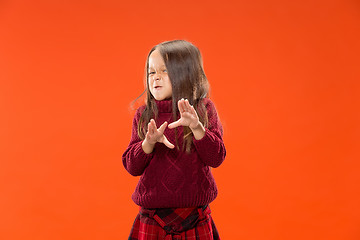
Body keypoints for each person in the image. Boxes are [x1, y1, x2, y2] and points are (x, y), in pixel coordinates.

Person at [122, 39, 226, 239]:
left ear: (185, 74)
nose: (156, 78)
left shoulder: (204, 109)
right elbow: (131, 166)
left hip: (195, 215)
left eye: (164, 71)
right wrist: (148, 143)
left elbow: (217, 157)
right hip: (152, 218)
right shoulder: (144, 115)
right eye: (151, 72)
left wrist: (197, 127)